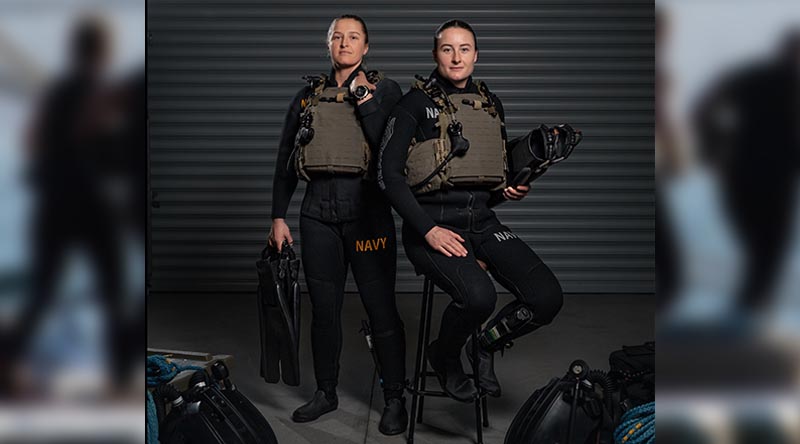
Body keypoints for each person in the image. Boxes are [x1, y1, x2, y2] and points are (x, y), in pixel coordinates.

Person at [377, 20, 564, 402]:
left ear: (476, 55)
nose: (456, 56)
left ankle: (483, 346)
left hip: (481, 222)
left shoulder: (490, 103)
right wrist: (428, 230)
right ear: (435, 55)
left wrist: (507, 189)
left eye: (464, 49)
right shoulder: (413, 104)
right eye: (447, 49)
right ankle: (444, 357)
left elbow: (486, 180)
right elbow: (388, 176)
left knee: (546, 297)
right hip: (431, 227)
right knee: (479, 298)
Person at [267, 14, 408, 434]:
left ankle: (396, 397)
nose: (344, 43)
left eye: (353, 38)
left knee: (380, 308)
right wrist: (278, 216)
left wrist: (364, 97)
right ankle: (326, 392)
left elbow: (390, 146)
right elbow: (285, 161)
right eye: (337, 37)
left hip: (367, 216)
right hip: (317, 217)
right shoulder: (307, 97)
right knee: (324, 312)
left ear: (366, 48)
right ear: (328, 46)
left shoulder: (386, 91)